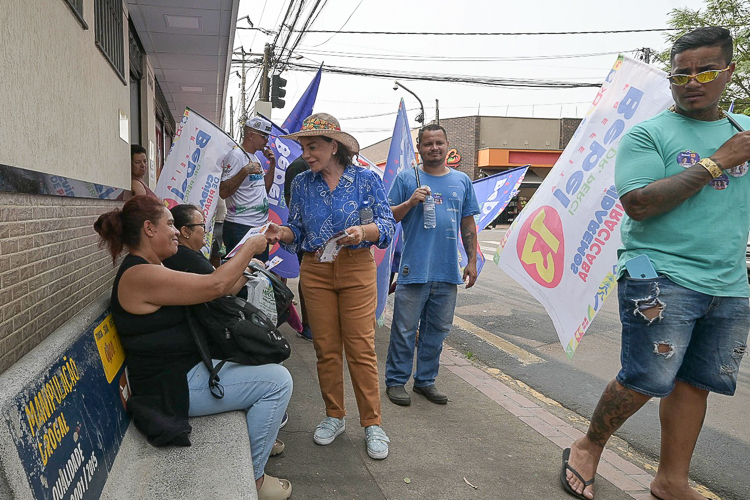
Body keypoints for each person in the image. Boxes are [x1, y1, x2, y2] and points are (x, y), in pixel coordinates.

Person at [561, 27, 750, 500]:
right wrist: (716, 163)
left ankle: (671, 481)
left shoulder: (743, 132)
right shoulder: (649, 133)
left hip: (729, 281)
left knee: (696, 383)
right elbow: (639, 203)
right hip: (658, 274)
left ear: (729, 71)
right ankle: (587, 446)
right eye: (680, 73)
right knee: (647, 377)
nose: (692, 81)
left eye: (705, 70)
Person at [93, 196, 293, 500]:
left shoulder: (151, 267)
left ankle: (259, 452)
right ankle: (253, 479)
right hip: (170, 388)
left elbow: (213, 289)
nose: (176, 231)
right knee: (277, 383)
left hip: (183, 373)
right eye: (170, 224)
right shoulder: (140, 274)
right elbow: (215, 286)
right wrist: (251, 246)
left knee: (264, 367)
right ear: (149, 228)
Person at [265, 113, 396, 460]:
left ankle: (372, 424)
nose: (306, 154)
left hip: (356, 268)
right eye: (303, 147)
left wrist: (362, 233)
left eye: (313, 147)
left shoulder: (366, 180)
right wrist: (282, 233)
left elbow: (387, 225)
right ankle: (334, 415)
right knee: (325, 347)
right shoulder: (303, 184)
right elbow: (296, 228)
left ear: (333, 146)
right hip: (316, 270)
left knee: (360, 348)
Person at [384, 124, 479, 407]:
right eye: (428, 144)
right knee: (403, 329)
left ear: (447, 146)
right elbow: (387, 217)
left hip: (448, 271)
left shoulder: (462, 181)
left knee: (436, 331)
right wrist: (410, 202)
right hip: (414, 268)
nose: (434, 148)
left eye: (439, 143)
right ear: (420, 148)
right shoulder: (406, 178)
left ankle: (425, 381)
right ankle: (396, 381)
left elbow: (468, 223)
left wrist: (472, 261)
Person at [220, 116, 276, 260]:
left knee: (258, 272)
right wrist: (244, 171)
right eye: (264, 136)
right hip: (240, 226)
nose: (266, 141)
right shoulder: (236, 156)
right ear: (251, 135)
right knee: (242, 275)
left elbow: (265, 189)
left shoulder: (255, 157)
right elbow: (223, 191)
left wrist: (272, 164)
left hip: (258, 227)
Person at [284, 156, 313, 341]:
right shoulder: (298, 168)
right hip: (307, 236)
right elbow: (290, 201)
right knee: (309, 275)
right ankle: (309, 325)